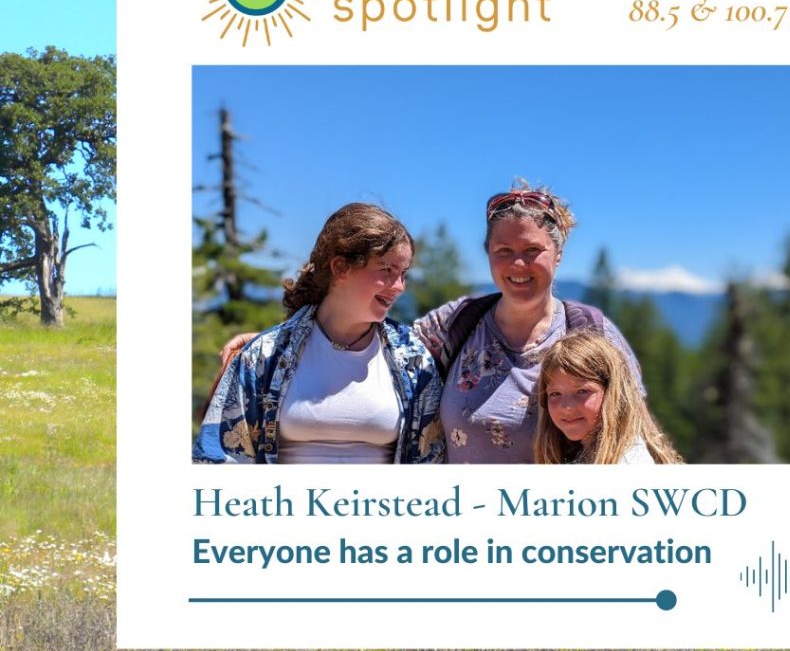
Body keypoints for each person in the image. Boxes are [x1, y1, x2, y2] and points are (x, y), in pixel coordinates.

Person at [193, 203, 444, 465]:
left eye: (403, 273)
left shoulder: (414, 360)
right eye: (386, 270)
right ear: (340, 268)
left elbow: (432, 461)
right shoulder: (263, 356)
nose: (399, 286)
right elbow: (218, 459)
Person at [412, 184, 645, 463]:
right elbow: (383, 364)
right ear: (488, 254)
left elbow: (632, 437)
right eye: (504, 251)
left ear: (558, 254)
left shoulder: (595, 333)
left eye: (532, 250)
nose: (518, 264)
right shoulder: (455, 322)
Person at [534, 331, 682, 464]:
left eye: (582, 391)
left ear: (612, 392)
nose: (566, 406)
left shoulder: (629, 463)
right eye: (555, 394)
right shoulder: (580, 453)